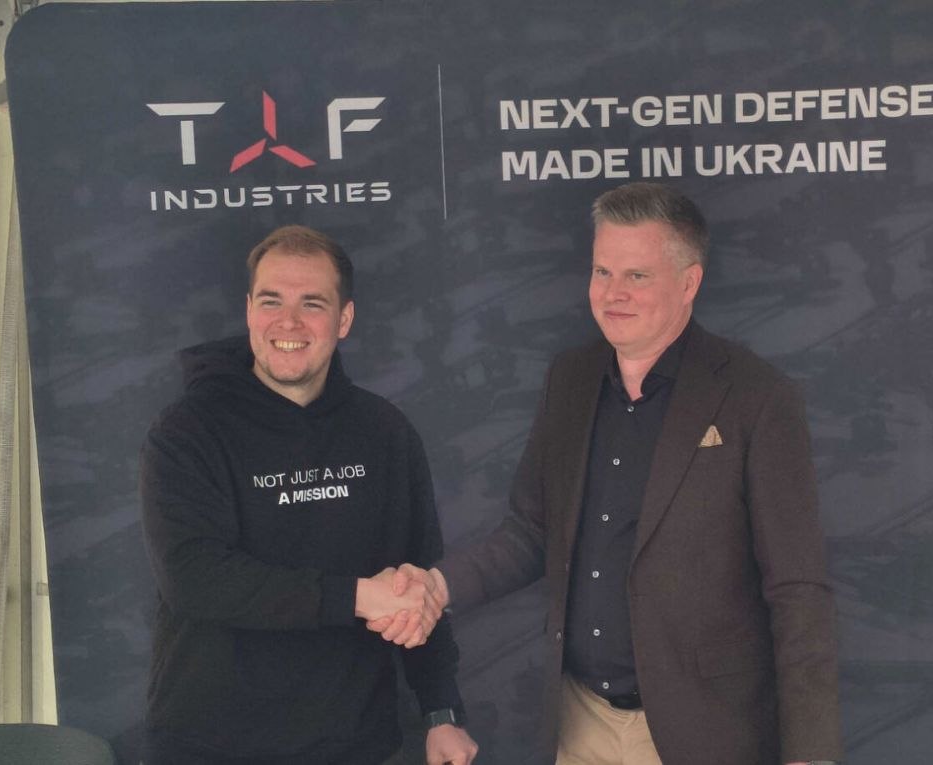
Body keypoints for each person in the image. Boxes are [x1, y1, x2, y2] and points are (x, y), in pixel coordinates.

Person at [372, 183, 842, 764]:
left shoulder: (757, 397)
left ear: (689, 282)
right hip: (581, 725)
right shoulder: (570, 379)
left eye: (636, 276)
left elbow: (797, 588)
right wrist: (436, 588)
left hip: (704, 734)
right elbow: (531, 532)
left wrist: (810, 753)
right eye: (602, 272)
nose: (613, 293)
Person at [139, 225, 478, 765]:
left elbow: (417, 579)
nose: (288, 322)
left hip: (354, 744)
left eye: (312, 304)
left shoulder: (385, 432)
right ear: (249, 310)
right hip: (210, 747)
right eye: (271, 300)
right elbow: (194, 578)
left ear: (344, 319)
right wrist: (358, 597)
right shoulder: (187, 431)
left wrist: (441, 712)